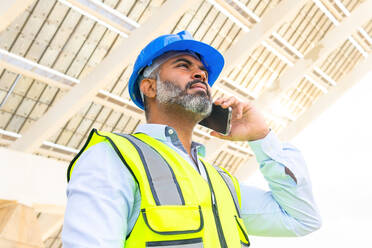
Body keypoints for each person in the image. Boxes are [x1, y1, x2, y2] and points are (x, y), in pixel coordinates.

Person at [62, 30, 321, 247]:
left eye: (203, 73)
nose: (200, 75)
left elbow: (302, 218)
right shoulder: (113, 157)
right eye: (183, 66)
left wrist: (262, 137)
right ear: (149, 87)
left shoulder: (221, 182)